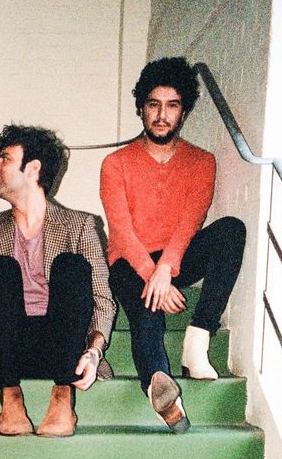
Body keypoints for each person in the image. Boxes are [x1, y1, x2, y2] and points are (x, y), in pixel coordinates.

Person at [100, 56, 246, 431]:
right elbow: (121, 233)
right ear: (141, 109)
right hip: (129, 263)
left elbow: (190, 222)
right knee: (147, 309)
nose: (162, 115)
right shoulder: (116, 164)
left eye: (172, 105)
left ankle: (197, 340)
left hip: (173, 261)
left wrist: (165, 269)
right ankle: (157, 382)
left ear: (184, 111)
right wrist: (152, 276)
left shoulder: (202, 162)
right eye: (153, 105)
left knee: (231, 230)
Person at [0, 124, 116, 437]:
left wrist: (94, 351)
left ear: (33, 169)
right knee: (0, 269)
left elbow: (102, 299)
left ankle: (62, 396)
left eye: (4, 159)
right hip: (6, 346)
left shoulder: (81, 225)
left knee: (70, 267)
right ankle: (10, 397)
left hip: (64, 347)